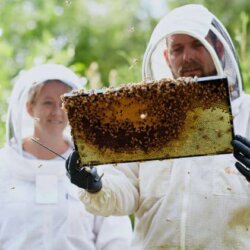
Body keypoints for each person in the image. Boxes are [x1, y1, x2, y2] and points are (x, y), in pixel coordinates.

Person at [66, 4, 250, 249]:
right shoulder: (145, 118)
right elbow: (126, 192)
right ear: (166, 57)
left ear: (218, 48)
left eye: (197, 45)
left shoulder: (247, 113)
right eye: (177, 48)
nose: (188, 57)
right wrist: (94, 185)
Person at [0, 63, 133, 250]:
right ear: (30, 108)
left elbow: (117, 239)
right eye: (48, 102)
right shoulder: (4, 166)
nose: (57, 111)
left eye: (64, 103)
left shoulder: (92, 166)